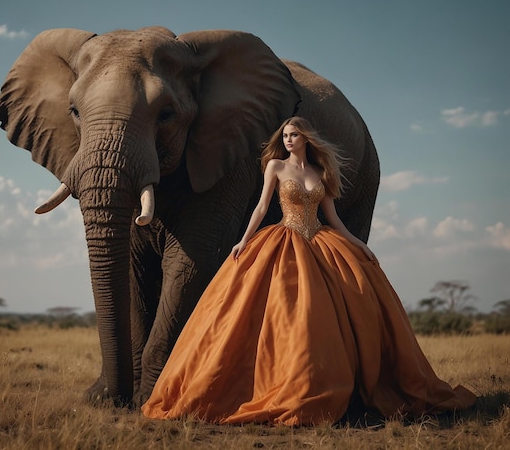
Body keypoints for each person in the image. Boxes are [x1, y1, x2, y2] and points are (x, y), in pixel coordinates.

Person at [141, 116, 476, 426]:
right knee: (280, 313)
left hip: (320, 240)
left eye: (293, 135)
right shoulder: (274, 166)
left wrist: (360, 245)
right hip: (284, 239)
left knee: (342, 301)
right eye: (285, 135)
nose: (288, 140)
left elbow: (334, 218)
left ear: (305, 138)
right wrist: (243, 241)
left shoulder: (319, 174)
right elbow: (261, 206)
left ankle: (342, 382)